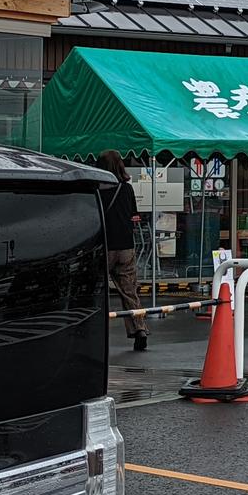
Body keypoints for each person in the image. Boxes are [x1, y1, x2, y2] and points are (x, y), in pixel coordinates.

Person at [96, 149, 148, 351]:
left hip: (105, 246)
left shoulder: (97, 190)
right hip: (126, 246)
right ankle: (140, 329)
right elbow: (134, 216)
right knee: (129, 291)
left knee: (97, 290)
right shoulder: (126, 189)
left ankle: (94, 332)